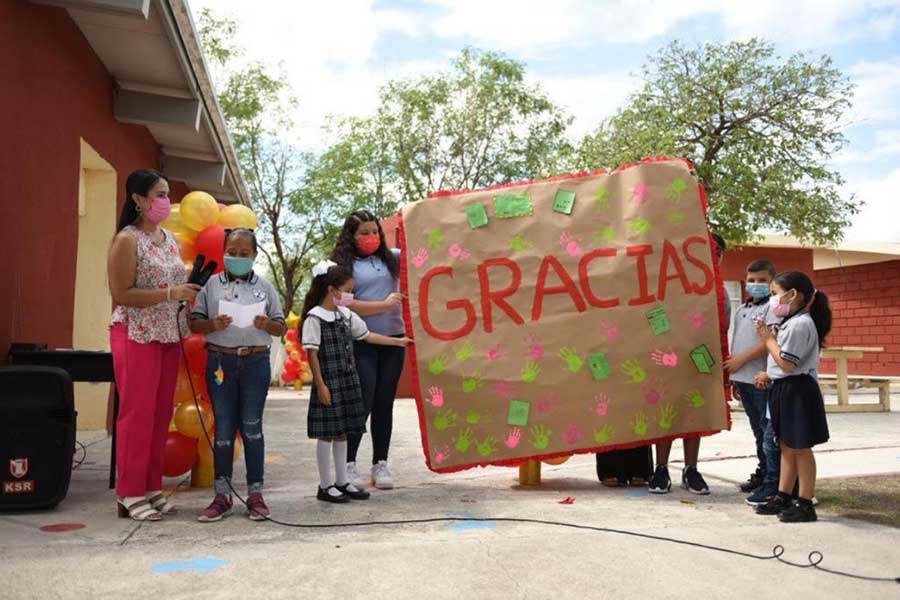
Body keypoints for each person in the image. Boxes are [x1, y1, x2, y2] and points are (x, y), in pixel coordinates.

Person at [107, 169, 200, 521]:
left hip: (168, 333)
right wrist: (169, 293)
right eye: (159, 195)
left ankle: (150, 487)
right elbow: (121, 293)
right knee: (138, 413)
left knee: (161, 414)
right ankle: (128, 492)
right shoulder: (127, 240)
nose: (166, 202)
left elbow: (176, 283)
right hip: (137, 333)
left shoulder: (170, 239)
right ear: (138, 199)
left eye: (167, 194)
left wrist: (188, 294)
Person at [189, 228, 286, 522]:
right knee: (224, 429)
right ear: (224, 252)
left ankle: (255, 494)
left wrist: (267, 323)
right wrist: (212, 325)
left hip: (255, 363)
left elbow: (281, 327)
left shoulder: (265, 288)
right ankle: (222, 495)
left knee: (252, 427)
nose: (237, 257)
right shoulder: (212, 287)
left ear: (255, 255)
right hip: (221, 363)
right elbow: (194, 324)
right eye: (232, 252)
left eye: (244, 253)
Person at [300, 261, 413, 503]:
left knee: (343, 433)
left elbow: (367, 335)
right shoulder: (314, 318)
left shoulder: (345, 315)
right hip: (328, 383)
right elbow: (312, 354)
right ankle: (325, 485)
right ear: (332, 290)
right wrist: (320, 385)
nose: (351, 295)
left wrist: (397, 342)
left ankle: (342, 481)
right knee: (327, 435)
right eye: (348, 290)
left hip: (346, 381)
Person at [330, 210, 406, 489]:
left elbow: (426, 252)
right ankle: (348, 465)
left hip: (393, 341)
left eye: (375, 231)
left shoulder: (393, 258)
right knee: (362, 400)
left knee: (384, 403)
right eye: (364, 233)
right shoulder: (341, 265)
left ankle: (380, 464)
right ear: (351, 236)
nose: (371, 237)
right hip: (360, 340)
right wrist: (383, 305)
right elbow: (342, 302)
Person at [649, 232, 727, 495]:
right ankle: (661, 468)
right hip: (668, 356)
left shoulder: (720, 291)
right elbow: (654, 318)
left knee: (694, 413)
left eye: (716, 255)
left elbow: (721, 327)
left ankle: (690, 469)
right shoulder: (670, 284)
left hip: (702, 357)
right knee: (666, 411)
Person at [754, 271, 831, 522]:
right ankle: (783, 495)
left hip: (798, 391)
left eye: (775, 294)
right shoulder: (791, 322)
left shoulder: (801, 324)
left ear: (793, 294)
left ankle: (806, 502)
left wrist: (768, 340)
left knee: (801, 448)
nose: (773, 300)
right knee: (786, 445)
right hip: (784, 389)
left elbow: (788, 364)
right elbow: (782, 365)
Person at [723, 259, 777, 501]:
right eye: (752, 280)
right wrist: (735, 376)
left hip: (761, 380)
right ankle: (763, 472)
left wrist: (739, 361)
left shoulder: (772, 308)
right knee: (758, 431)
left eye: (762, 281)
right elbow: (739, 340)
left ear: (772, 282)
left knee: (768, 433)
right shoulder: (743, 309)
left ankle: (773, 480)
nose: (756, 285)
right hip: (743, 379)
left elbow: (768, 342)